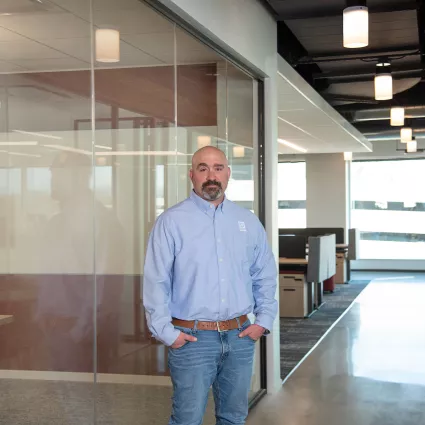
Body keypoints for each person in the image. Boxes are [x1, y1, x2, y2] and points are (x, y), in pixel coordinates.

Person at [143, 145, 277, 425]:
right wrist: (167, 333)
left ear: (228, 174)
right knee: (187, 420)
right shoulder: (171, 222)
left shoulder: (247, 221)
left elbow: (263, 274)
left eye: (218, 168)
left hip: (240, 336)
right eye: (203, 168)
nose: (211, 175)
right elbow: (156, 281)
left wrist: (263, 321)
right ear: (192, 175)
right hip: (192, 339)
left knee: (233, 418)